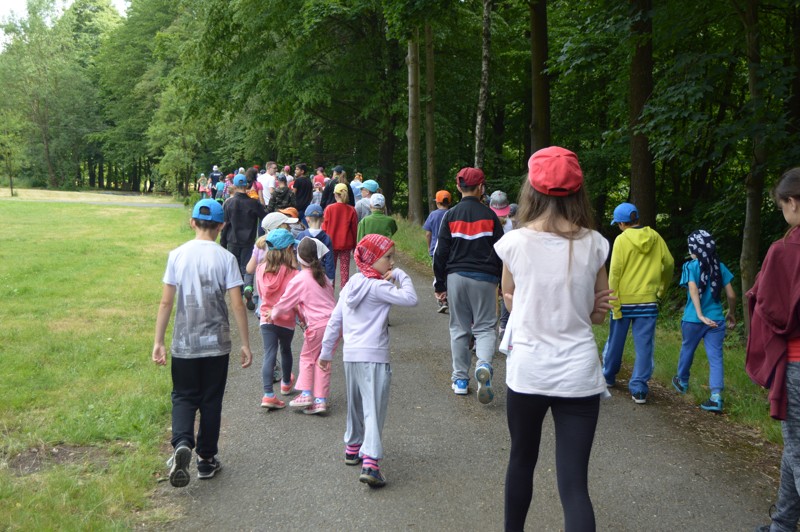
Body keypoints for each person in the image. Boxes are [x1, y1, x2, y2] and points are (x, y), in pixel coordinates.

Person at [495, 146, 613, 532]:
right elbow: (598, 314)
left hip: (528, 370)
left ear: (531, 189)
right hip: (579, 374)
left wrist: (530, 303)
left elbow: (509, 298)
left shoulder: (514, 242)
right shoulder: (595, 243)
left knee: (521, 462)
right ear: (579, 192)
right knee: (575, 485)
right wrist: (585, 307)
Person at [152, 199, 253, 488]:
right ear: (222, 226)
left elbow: (166, 302)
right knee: (211, 399)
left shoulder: (177, 255)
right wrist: (245, 343)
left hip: (185, 343)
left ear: (192, 222)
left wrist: (159, 341)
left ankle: (183, 442)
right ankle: (206, 459)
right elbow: (237, 304)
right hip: (216, 344)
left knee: (183, 396)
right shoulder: (226, 258)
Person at [318, 234, 418, 487]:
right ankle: (371, 463)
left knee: (355, 404)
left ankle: (353, 447)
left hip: (351, 355)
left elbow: (335, 321)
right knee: (373, 408)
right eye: (388, 257)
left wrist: (326, 352)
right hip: (374, 355)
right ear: (372, 259)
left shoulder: (351, 285)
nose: (392, 263)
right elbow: (411, 298)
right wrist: (401, 276)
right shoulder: (379, 287)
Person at [748, 168, 800, 532]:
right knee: (793, 447)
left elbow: (773, 311)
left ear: (793, 202)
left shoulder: (784, 251)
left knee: (797, 450)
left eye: (782, 206)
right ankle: (782, 523)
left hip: (796, 364)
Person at [433, 167, 504, 403]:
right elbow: (501, 252)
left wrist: (440, 284)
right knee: (485, 327)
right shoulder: (490, 216)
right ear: (482, 188)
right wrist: (502, 282)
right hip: (485, 278)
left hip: (456, 277)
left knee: (459, 328)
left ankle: (461, 380)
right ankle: (483, 365)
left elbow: (440, 253)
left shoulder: (451, 215)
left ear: (458, 187)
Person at [601, 201, 674, 404]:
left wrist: (613, 301)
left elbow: (615, 273)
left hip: (622, 300)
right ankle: (640, 388)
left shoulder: (621, 240)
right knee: (644, 346)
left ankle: (608, 376)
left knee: (615, 342)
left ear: (622, 223)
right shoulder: (655, 237)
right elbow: (669, 264)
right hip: (648, 301)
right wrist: (661, 289)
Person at [671, 230, 736, 412]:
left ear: (695, 250)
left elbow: (693, 289)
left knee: (687, 349)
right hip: (716, 320)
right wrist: (731, 313)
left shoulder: (689, 266)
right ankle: (716, 397)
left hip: (693, 319)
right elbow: (731, 295)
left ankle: (682, 381)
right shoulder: (720, 266)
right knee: (715, 357)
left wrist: (700, 315)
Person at [271, 237, 337, 415]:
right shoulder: (323, 277)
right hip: (334, 325)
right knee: (323, 361)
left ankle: (307, 394)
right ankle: (320, 400)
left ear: (298, 257)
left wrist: (273, 314)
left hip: (317, 326)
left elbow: (285, 303)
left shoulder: (300, 279)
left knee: (307, 358)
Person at [256, 228, 299, 410]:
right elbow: (295, 299)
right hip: (286, 320)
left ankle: (268, 394)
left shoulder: (260, 269)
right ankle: (286, 384)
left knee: (269, 354)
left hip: (266, 318)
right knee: (286, 349)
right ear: (289, 249)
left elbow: (260, 293)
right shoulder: (293, 273)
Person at [221, 174, 267, 311]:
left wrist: (223, 242)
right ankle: (248, 287)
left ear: (234, 186)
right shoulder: (254, 203)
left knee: (234, 268)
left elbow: (225, 225)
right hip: (248, 241)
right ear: (247, 185)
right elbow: (265, 218)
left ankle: (238, 295)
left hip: (232, 240)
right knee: (248, 267)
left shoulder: (229, 203)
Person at [322, 183, 358, 287]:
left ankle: (330, 293)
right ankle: (344, 293)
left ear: (335, 195)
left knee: (330, 271)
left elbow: (324, 228)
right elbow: (354, 230)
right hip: (346, 244)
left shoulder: (329, 209)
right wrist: (355, 246)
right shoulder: (352, 210)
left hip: (331, 244)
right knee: (345, 272)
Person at [423, 190, 451, 314]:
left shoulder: (433, 215)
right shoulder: (452, 213)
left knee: (438, 273)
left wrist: (429, 247)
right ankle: (450, 297)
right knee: (449, 274)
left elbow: (428, 234)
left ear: (437, 202)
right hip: (451, 249)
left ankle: (442, 299)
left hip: (436, 249)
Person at [297, 204, 335, 282]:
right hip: (321, 275)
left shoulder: (301, 236)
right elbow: (329, 260)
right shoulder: (326, 238)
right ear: (322, 219)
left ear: (307, 219)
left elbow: (296, 256)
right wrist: (330, 278)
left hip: (303, 274)